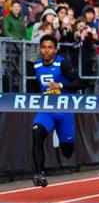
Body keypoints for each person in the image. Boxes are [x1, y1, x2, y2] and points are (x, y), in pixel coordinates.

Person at [31, 35, 83, 187]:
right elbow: (36, 86)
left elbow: (79, 83)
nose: (46, 50)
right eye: (43, 47)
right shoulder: (36, 65)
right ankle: (39, 173)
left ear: (55, 49)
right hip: (46, 109)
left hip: (64, 110)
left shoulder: (63, 63)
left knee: (67, 151)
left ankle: (63, 138)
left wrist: (60, 86)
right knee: (36, 133)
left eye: (49, 47)